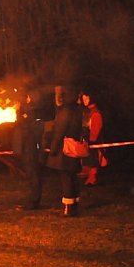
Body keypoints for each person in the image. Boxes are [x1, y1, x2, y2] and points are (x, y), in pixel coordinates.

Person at [45, 85, 84, 216]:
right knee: (72, 177)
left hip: (65, 150)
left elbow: (59, 133)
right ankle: (74, 204)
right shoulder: (77, 111)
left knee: (66, 177)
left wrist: (53, 150)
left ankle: (69, 208)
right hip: (73, 147)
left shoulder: (65, 112)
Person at [13, 91, 43, 211]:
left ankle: (34, 201)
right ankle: (33, 200)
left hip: (30, 148)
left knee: (33, 173)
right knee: (31, 174)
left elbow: (25, 127)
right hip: (27, 147)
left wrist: (19, 114)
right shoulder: (27, 111)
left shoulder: (29, 111)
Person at [80, 90, 106, 186]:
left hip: (93, 141)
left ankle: (93, 178)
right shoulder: (87, 111)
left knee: (93, 160)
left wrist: (92, 140)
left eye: (87, 98)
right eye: (83, 99)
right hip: (87, 140)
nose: (85, 100)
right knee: (88, 159)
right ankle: (89, 177)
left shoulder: (95, 113)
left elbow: (95, 128)